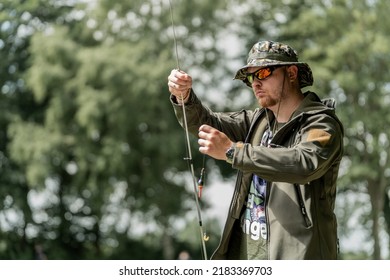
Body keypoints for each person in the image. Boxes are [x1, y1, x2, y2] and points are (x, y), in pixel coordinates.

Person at [167, 40, 344, 260]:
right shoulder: (257, 120)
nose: (255, 84)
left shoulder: (322, 123)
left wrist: (233, 152)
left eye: (263, 73)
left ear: (291, 72)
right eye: (251, 77)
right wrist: (183, 96)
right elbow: (205, 123)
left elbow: (304, 163)